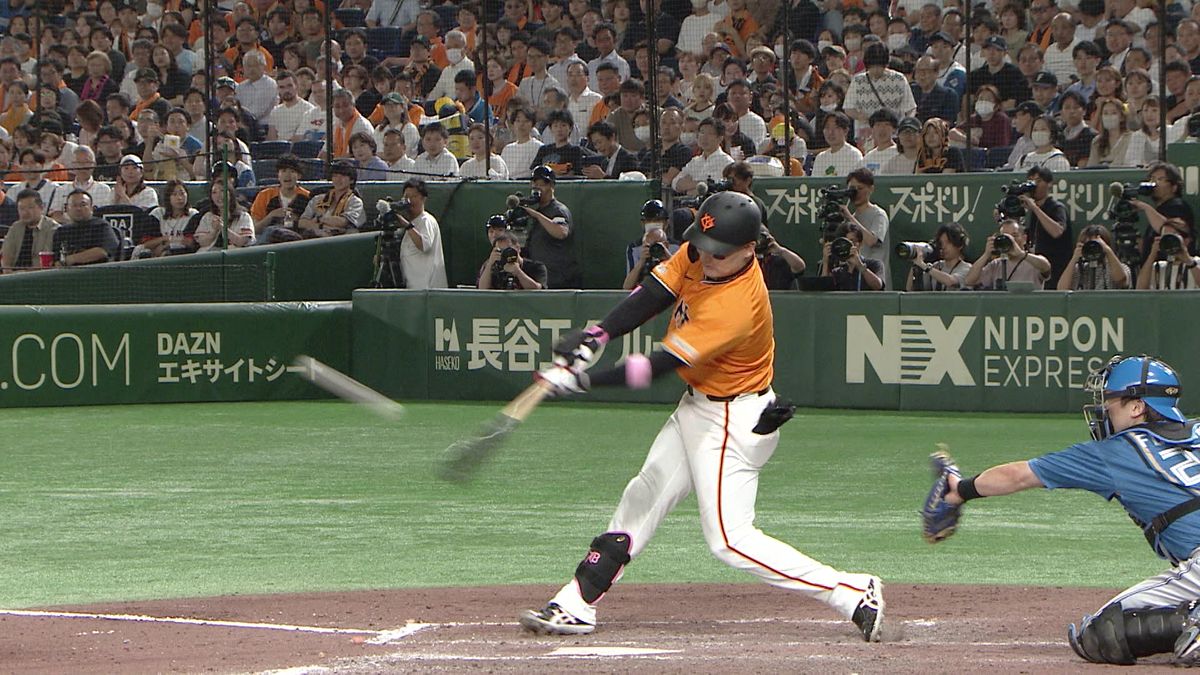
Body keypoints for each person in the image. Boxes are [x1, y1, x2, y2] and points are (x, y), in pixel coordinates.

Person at [519, 190, 885, 643]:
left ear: (749, 250)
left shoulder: (737, 306)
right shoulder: (704, 250)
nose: (706, 257)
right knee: (644, 495)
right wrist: (597, 335)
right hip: (698, 405)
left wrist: (583, 381)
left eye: (719, 253)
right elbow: (655, 292)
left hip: (732, 419)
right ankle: (576, 601)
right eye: (703, 246)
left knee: (729, 540)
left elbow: (658, 365)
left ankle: (851, 591)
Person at [931, 354, 1200, 667]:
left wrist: (960, 490)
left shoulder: (1114, 452)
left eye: (1111, 400)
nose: (1105, 408)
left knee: (1102, 633)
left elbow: (1018, 476)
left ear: (1137, 407)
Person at [519, 165, 579, 289]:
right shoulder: (537, 210)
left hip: (559, 278)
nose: (537, 188)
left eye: (541, 185)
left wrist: (536, 215)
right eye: (535, 185)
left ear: (551, 186)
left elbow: (561, 232)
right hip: (540, 277)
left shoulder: (558, 210)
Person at [1019, 166, 1073, 288]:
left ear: (1049, 184)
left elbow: (1057, 231)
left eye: (1038, 181)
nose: (1034, 185)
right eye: (1031, 181)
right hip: (1037, 271)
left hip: (1056, 270)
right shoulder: (1032, 211)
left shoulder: (1056, 207)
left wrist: (1035, 208)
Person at [963, 219, 1051, 290]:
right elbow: (969, 281)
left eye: (1014, 236)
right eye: (1006, 237)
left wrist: (1021, 254)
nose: (1011, 241)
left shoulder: (1032, 262)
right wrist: (986, 254)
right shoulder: (996, 264)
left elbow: (1046, 267)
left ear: (1024, 239)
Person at [1132, 162, 1196, 255]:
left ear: (1174, 187)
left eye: (1160, 179)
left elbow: (1170, 230)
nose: (1154, 183)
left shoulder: (1178, 206)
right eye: (1152, 179)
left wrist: (1145, 207)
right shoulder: (1159, 210)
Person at [296, 161, 366, 238]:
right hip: (316, 236)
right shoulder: (317, 198)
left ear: (351, 180)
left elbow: (342, 222)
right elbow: (302, 222)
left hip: (341, 238)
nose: (338, 179)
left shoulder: (355, 202)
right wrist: (321, 227)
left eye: (343, 176)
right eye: (335, 176)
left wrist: (318, 219)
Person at [251, 155, 312, 243]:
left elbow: (312, 226)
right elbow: (255, 230)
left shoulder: (307, 197)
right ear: (278, 175)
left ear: (299, 175)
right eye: (283, 171)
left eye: (292, 171)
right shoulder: (264, 195)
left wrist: (296, 221)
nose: (287, 175)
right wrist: (271, 216)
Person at [52, 189, 120, 265]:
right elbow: (55, 258)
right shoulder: (61, 231)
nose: (78, 209)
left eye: (83, 205)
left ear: (92, 208)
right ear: (66, 209)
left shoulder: (101, 226)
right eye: (74, 205)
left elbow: (103, 252)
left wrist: (71, 259)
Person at [1056, 225, 1131, 290]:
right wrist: (1074, 259)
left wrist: (1107, 250)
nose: (1092, 249)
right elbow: (1062, 289)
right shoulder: (1078, 269)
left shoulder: (1121, 267)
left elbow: (1121, 280)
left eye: (1095, 245)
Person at [1, 188, 59, 272]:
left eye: (30, 207)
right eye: (21, 208)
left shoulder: (53, 229)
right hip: (13, 276)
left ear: (41, 207)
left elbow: (48, 264)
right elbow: (6, 257)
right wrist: (8, 273)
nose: (25, 212)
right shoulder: (15, 227)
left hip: (40, 276)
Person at [672, 117, 734, 194]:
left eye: (710, 134)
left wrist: (690, 185)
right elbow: (675, 183)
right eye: (702, 132)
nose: (704, 137)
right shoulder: (694, 161)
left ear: (720, 138)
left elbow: (716, 187)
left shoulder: (726, 162)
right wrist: (703, 183)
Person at [905, 222, 972, 291]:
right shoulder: (936, 266)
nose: (943, 247)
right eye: (941, 243)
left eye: (948, 242)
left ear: (960, 245)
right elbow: (909, 289)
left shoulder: (966, 268)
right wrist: (916, 264)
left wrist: (924, 266)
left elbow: (950, 281)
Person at [141, 179, 198, 257]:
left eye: (182, 194)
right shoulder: (157, 214)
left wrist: (167, 245)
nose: (179, 198)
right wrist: (166, 238)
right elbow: (146, 244)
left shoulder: (194, 214)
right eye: (174, 194)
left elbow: (191, 243)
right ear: (168, 197)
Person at [1137, 220, 1200, 289]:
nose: (1169, 241)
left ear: (1187, 240)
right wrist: (1152, 255)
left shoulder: (1196, 262)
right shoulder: (1158, 267)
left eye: (1172, 237)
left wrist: (1188, 260)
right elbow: (1140, 289)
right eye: (1165, 237)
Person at [821, 222, 885, 291]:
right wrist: (825, 262)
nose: (849, 246)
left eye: (852, 241)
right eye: (845, 243)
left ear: (860, 243)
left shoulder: (874, 264)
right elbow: (824, 289)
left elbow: (878, 286)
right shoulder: (838, 272)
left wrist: (860, 266)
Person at [479, 229, 546, 290]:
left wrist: (518, 272)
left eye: (508, 249)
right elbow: (482, 289)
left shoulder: (537, 267)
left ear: (518, 248)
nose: (505, 254)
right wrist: (490, 264)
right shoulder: (492, 266)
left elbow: (537, 289)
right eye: (501, 251)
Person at [811, 112, 864, 177]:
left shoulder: (853, 155)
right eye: (827, 128)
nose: (830, 132)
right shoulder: (820, 158)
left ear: (846, 131)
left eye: (836, 127)